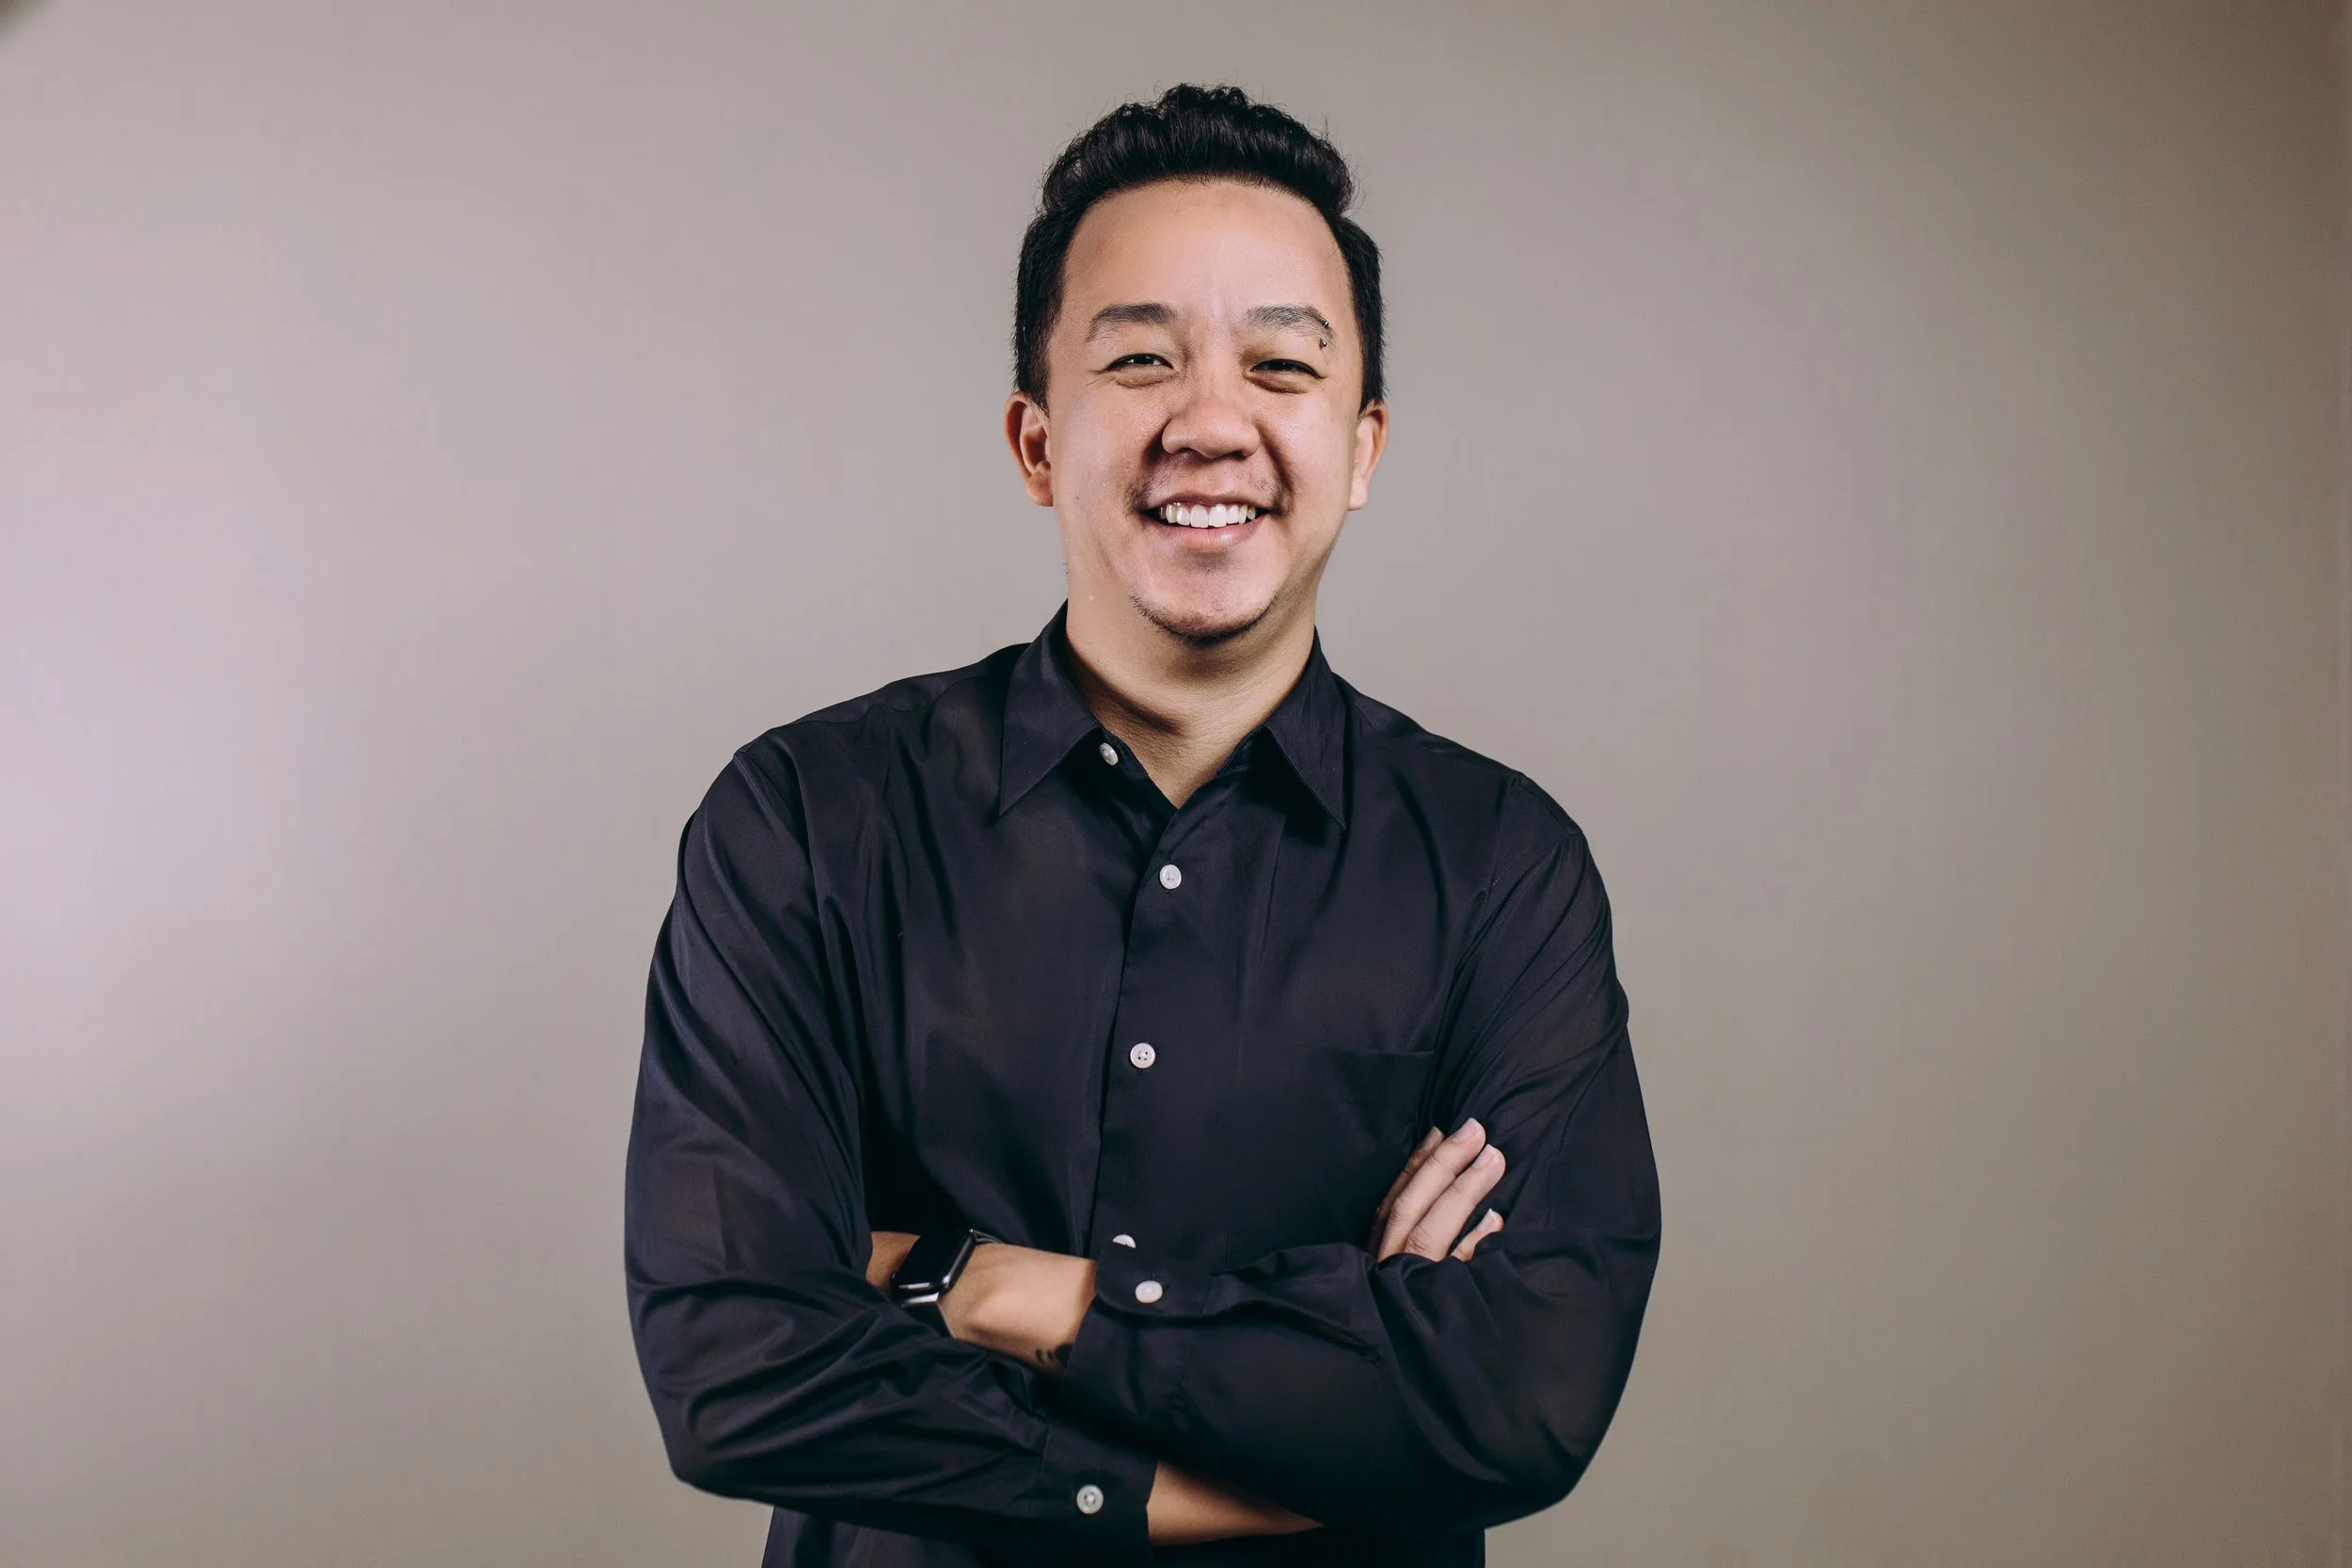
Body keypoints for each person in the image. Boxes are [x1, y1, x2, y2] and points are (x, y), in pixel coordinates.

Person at [624, 84, 1661, 1567]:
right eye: (1140, 359)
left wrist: (988, 1285)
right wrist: (1297, 1425)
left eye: (1281, 365)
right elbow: (734, 1368)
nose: (1212, 423)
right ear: (1037, 441)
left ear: (1363, 445)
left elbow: (1521, 1393)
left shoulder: (1502, 868)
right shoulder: (806, 822)